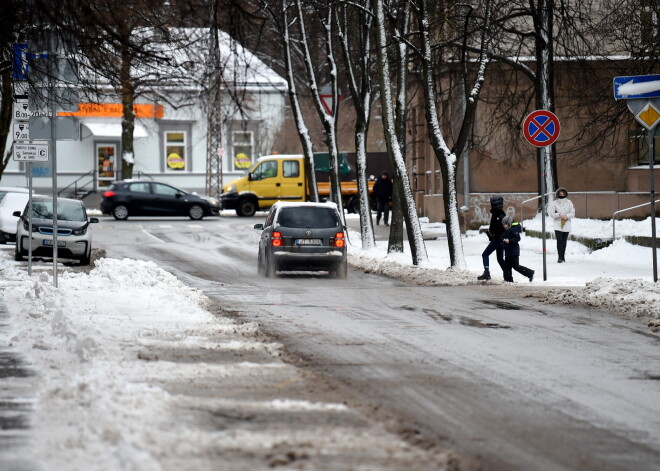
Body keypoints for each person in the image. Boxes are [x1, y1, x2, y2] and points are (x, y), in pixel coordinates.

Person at [477, 195, 506, 280]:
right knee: (500, 259)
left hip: (497, 239)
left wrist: (491, 234)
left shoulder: (497, 214)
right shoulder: (501, 213)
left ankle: (487, 273)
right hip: (501, 240)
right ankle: (507, 274)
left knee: (485, 254)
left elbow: (496, 228)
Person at [501, 216, 535, 283]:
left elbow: (517, 238)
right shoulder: (507, 230)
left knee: (516, 266)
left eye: (505, 224)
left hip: (514, 252)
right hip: (508, 252)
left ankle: (530, 273)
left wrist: (509, 241)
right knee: (507, 267)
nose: (504, 226)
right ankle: (508, 280)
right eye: (503, 224)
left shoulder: (513, 229)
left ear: (509, 224)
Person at [548, 187, 575, 263]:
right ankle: (560, 257)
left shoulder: (569, 202)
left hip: (566, 223)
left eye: (563, 193)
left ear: (565, 194)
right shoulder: (555, 203)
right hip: (557, 223)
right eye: (560, 193)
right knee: (559, 240)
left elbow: (573, 212)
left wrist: (566, 216)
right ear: (558, 194)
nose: (561, 195)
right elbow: (552, 213)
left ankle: (563, 256)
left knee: (564, 241)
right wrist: (559, 214)